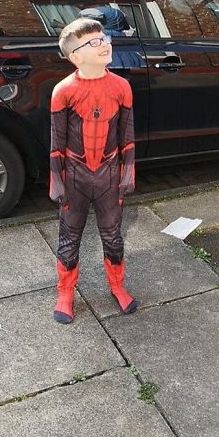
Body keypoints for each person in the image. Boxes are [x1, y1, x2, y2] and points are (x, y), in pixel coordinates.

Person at [49, 17, 137, 323]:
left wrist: (127, 174)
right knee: (69, 236)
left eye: (105, 38)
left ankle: (117, 286)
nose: (104, 44)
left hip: (109, 174)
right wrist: (56, 181)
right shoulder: (63, 91)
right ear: (75, 56)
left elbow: (127, 136)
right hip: (75, 175)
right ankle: (65, 293)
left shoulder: (122, 87)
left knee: (113, 236)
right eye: (94, 42)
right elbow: (56, 142)